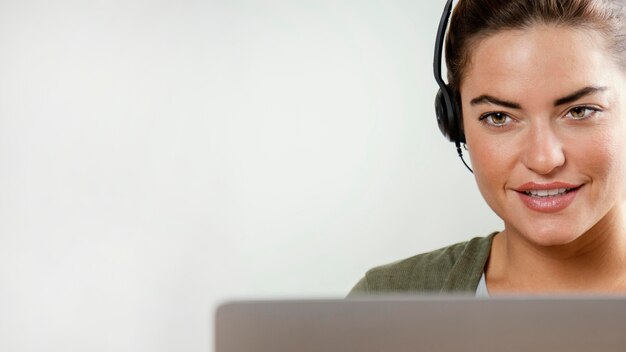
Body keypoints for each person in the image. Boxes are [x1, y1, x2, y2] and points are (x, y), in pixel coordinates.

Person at [349, 0, 626, 296]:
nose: (544, 160)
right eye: (499, 117)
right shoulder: (385, 302)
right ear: (456, 124)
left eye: (580, 111)